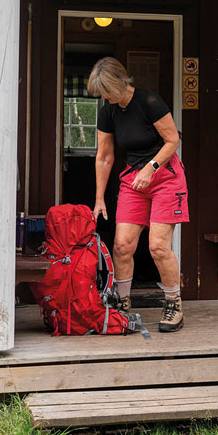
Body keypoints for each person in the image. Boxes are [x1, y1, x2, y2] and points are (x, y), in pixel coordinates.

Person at [89, 57, 188, 332]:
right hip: (134, 181)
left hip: (165, 178)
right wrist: (99, 198)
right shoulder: (108, 111)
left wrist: (151, 167)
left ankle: (173, 304)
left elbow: (173, 140)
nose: (104, 98)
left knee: (158, 246)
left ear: (119, 82)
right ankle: (122, 305)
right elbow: (104, 157)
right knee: (122, 246)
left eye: (106, 91)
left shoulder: (149, 102)